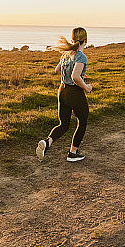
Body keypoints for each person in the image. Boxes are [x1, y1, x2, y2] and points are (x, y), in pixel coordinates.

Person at [36, 27, 93, 162]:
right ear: (85, 40)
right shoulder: (81, 56)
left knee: (64, 124)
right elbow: (75, 77)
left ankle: (47, 142)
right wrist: (86, 87)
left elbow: (57, 70)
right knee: (83, 121)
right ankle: (73, 153)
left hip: (62, 90)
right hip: (74, 92)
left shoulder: (66, 54)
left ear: (72, 40)